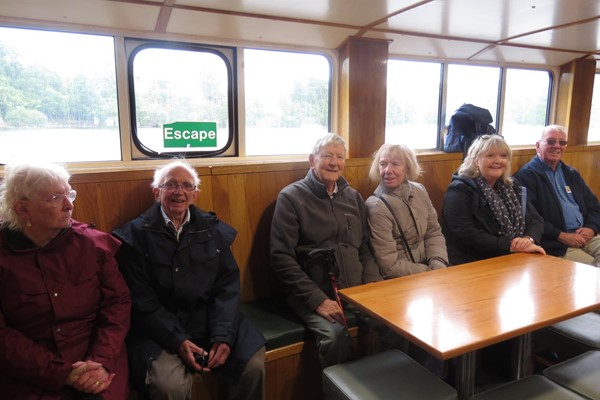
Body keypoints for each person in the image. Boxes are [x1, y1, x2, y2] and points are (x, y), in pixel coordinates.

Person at [112, 159, 265, 400]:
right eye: (170, 184)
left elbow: (227, 288)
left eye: (187, 186)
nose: (179, 192)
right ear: (157, 192)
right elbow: (142, 302)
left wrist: (223, 335)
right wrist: (177, 339)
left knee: (251, 366)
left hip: (209, 320)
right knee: (167, 386)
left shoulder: (213, 231)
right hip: (159, 329)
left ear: (195, 195)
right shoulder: (136, 237)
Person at [0, 162, 131, 400]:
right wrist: (61, 373)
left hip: (97, 355)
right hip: (28, 368)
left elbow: (117, 304)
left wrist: (100, 360)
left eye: (69, 193)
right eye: (55, 198)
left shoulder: (92, 245)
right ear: (22, 208)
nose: (69, 205)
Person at [270, 133, 383, 369]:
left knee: (394, 325)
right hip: (313, 293)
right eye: (327, 156)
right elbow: (281, 258)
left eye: (340, 157)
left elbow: (365, 248)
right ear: (312, 160)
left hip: (355, 289)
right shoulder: (291, 197)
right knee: (335, 337)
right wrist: (318, 300)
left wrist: (373, 285)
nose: (334, 162)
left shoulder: (352, 197)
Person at [442, 134, 546, 265]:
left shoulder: (513, 185)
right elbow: (465, 232)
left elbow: (535, 219)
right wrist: (510, 245)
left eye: (503, 156)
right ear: (476, 160)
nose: (498, 161)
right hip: (473, 260)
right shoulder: (460, 190)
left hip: (513, 254)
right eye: (490, 155)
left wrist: (528, 239)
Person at [514, 125, 600, 267]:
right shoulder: (526, 177)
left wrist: (591, 228)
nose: (557, 146)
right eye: (550, 141)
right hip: (556, 242)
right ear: (538, 145)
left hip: (585, 235)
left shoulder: (571, 173)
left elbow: (595, 207)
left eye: (562, 142)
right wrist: (561, 235)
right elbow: (529, 219)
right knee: (589, 268)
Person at [366, 143, 448, 277]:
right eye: (383, 164)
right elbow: (389, 266)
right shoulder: (376, 206)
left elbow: (433, 232)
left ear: (407, 168)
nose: (388, 170)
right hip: (404, 276)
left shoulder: (419, 190)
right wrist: (429, 273)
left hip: (432, 267)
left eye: (395, 164)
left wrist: (439, 262)